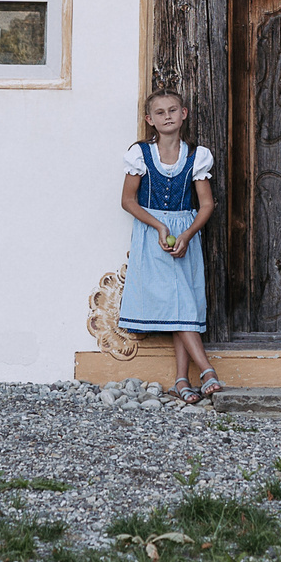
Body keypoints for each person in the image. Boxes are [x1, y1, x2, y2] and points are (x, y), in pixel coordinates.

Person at [118, 88, 222, 405]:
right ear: (150, 120)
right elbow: (127, 201)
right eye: (160, 112)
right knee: (180, 305)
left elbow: (206, 205)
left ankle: (180, 380)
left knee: (182, 305)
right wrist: (160, 226)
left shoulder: (196, 156)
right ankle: (206, 370)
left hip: (185, 233)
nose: (167, 116)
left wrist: (187, 234)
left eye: (173, 110)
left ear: (184, 114)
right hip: (153, 235)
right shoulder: (140, 155)